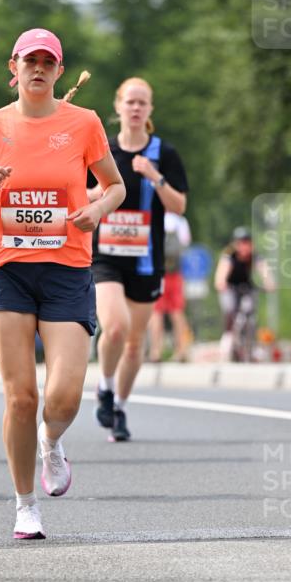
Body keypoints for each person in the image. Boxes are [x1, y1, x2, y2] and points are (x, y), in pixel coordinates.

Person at [0, 28, 125, 540]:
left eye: (47, 62)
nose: (38, 69)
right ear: (14, 67)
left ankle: (51, 441)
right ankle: (25, 505)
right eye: (29, 61)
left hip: (67, 269)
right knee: (21, 397)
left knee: (64, 397)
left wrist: (97, 210)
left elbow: (115, 186)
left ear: (59, 71)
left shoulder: (84, 122)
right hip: (7, 270)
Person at [90, 77, 189, 441]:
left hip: (146, 259)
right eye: (129, 101)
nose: (135, 108)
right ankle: (104, 386)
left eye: (142, 102)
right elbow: (79, 194)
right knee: (114, 327)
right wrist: (97, 193)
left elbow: (179, 206)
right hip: (106, 256)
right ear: (118, 106)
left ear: (150, 110)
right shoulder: (101, 150)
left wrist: (154, 176)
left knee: (134, 343)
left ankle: (119, 407)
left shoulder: (164, 153)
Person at [214, 227, 274, 361]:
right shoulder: (229, 256)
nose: (245, 247)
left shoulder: (255, 256)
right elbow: (222, 273)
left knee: (250, 311)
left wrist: (269, 282)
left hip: (247, 287)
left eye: (247, 243)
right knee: (230, 309)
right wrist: (221, 282)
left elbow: (263, 269)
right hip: (230, 288)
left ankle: (251, 345)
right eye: (242, 243)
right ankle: (228, 336)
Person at [147, 212, 193, 362]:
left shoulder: (152, 216)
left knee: (156, 313)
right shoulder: (180, 221)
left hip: (157, 273)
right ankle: (181, 351)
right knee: (177, 312)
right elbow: (185, 244)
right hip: (175, 273)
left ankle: (156, 352)